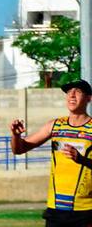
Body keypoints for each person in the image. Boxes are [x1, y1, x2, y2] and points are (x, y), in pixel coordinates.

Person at [11, 79, 92, 227]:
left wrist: (82, 160)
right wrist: (16, 136)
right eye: (69, 92)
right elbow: (19, 149)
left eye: (78, 91)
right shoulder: (55, 125)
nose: (72, 95)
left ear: (89, 98)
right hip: (56, 208)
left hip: (86, 209)